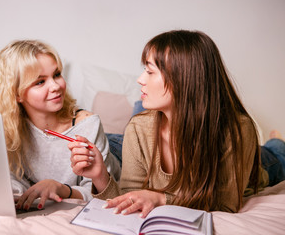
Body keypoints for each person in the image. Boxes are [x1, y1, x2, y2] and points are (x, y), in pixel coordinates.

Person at [68, 30, 269, 217]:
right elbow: (131, 197)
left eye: (150, 71)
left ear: (183, 79)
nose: (140, 79)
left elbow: (226, 204)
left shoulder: (238, 130)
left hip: (259, 169)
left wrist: (161, 198)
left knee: (276, 157)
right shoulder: (138, 128)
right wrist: (100, 176)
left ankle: (276, 143)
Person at [0, 40, 120, 210]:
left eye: (56, 75)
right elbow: (14, 182)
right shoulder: (9, 129)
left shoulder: (88, 125)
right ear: (17, 93)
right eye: (40, 82)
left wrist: (60, 188)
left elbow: (102, 193)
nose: (55, 86)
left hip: (116, 150)